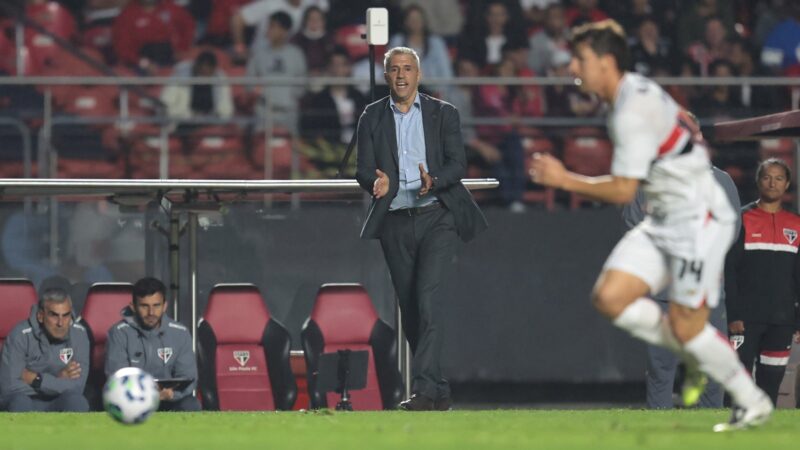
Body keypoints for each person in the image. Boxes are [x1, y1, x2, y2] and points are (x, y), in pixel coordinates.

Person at [530, 19, 772, 431]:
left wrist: (563, 178)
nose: (573, 66)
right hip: (666, 216)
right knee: (609, 297)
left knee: (684, 323)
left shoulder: (630, 110)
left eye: (582, 58)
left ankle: (750, 400)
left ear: (606, 62)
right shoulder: (627, 97)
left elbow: (625, 190)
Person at [355, 46, 488, 411]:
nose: (401, 75)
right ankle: (439, 389)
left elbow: (457, 164)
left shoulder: (444, 113)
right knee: (411, 309)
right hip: (394, 221)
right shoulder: (371, 116)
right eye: (394, 69)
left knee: (428, 302)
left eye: (408, 69)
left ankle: (425, 391)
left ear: (418, 74)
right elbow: (363, 169)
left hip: (436, 217)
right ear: (386, 76)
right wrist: (374, 183)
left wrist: (436, 179)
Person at [624, 164, 742, 409]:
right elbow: (634, 221)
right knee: (661, 368)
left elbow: (732, 228)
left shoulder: (720, 179)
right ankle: (659, 434)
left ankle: (708, 436)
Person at [724, 158, 800, 406]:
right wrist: (734, 314)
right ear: (758, 181)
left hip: (782, 321)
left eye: (779, 178)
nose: (772, 183)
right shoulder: (742, 218)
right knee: (738, 383)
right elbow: (729, 270)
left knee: (771, 385)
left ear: (787, 184)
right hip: (744, 321)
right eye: (767, 177)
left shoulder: (796, 224)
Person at [105, 277, 200, 411]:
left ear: (165, 306)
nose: (151, 313)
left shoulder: (180, 333)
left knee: (191, 404)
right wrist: (148, 394)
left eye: (156, 305)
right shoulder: (118, 333)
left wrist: (173, 394)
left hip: (169, 399)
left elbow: (188, 377)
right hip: (132, 402)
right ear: (133, 306)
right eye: (144, 306)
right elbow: (117, 378)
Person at [0, 286, 90, 412]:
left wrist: (37, 380)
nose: (60, 323)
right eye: (54, 315)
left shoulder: (79, 334)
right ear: (40, 316)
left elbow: (77, 387)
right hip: (25, 400)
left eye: (66, 315)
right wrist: (58, 381)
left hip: (59, 400)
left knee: (77, 402)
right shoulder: (20, 334)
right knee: (19, 402)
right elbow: (9, 388)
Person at [246, 11, 307, 134]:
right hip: (263, 112)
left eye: (273, 26)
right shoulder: (258, 54)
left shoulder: (296, 54)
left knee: (289, 149)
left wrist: (288, 98)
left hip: (289, 112)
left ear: (285, 31)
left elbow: (302, 84)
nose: (268, 30)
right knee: (262, 149)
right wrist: (261, 95)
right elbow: (249, 83)